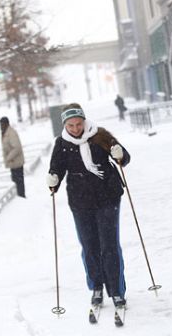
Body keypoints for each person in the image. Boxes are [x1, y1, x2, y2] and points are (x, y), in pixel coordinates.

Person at [47, 103, 131, 309]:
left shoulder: (100, 135)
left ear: (84, 120)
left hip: (107, 197)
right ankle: (96, 287)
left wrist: (119, 154)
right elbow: (56, 169)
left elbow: (123, 159)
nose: (76, 129)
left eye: (78, 123)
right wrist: (53, 180)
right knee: (89, 245)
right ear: (65, 125)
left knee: (109, 245)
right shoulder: (61, 144)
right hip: (80, 200)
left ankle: (117, 291)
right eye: (71, 125)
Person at [0, 117, 25, 198]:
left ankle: (21, 198)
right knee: (16, 182)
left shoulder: (11, 133)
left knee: (18, 183)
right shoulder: (6, 133)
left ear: (6, 124)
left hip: (16, 162)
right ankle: (19, 197)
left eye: (2, 124)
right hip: (13, 163)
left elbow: (17, 147)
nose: (0, 126)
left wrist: (8, 158)